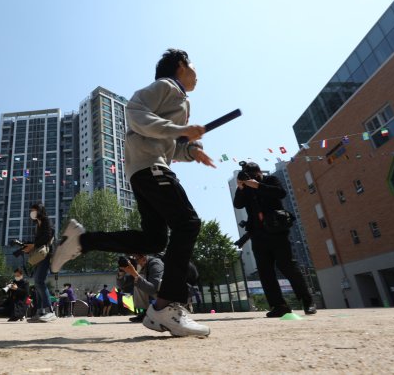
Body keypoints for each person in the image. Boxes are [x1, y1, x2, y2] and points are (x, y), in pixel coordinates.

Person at [51, 49, 214, 337]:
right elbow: (136, 114)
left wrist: (189, 150)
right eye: (193, 66)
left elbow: (164, 142)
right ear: (181, 66)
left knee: (154, 239)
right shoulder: (166, 86)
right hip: (151, 169)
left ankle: (84, 240)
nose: (197, 74)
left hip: (146, 169)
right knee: (187, 223)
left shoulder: (180, 100)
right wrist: (182, 129)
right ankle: (165, 306)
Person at [233, 161, 317, 317]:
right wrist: (241, 186)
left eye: (253, 175)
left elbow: (281, 193)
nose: (251, 177)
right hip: (258, 234)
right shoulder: (246, 189)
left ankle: (307, 301)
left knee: (288, 267)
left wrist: (258, 185)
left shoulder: (270, 180)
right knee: (265, 272)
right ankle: (279, 306)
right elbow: (238, 204)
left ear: (258, 172)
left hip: (277, 232)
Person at [21, 203, 57, 322]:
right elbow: (38, 241)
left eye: (34, 210)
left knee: (39, 281)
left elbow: (48, 236)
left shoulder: (46, 220)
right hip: (38, 256)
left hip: (45, 255)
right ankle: (40, 312)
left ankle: (50, 311)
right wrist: (28, 246)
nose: (32, 212)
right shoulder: (37, 224)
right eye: (31, 210)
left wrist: (34, 245)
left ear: (40, 211)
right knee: (37, 284)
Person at [117, 254, 164, 323]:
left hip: (170, 295)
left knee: (139, 279)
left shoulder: (155, 264)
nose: (136, 262)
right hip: (159, 294)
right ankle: (144, 313)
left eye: (136, 259)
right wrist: (121, 272)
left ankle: (167, 309)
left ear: (144, 258)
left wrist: (135, 274)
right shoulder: (140, 266)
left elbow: (152, 289)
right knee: (138, 279)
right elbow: (121, 285)